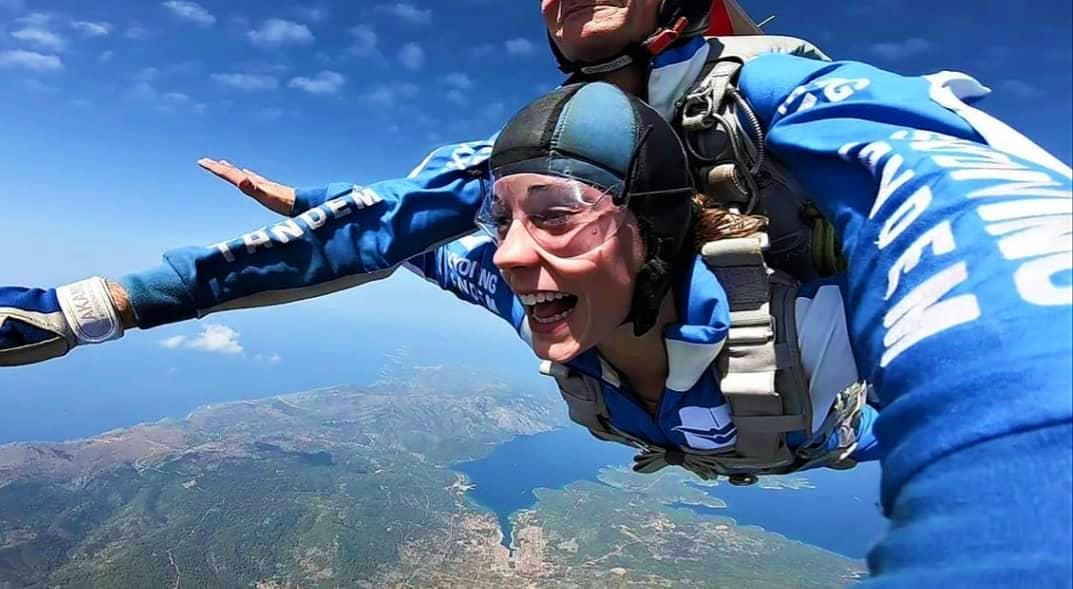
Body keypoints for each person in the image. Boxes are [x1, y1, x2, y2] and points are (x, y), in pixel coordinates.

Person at [1, 0, 1070, 585]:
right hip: (682, 396)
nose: (515, 251)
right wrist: (89, 305)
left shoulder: (786, 102)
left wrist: (1011, 520)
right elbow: (398, 231)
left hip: (808, 402)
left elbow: (998, 234)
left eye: (552, 219)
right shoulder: (520, 218)